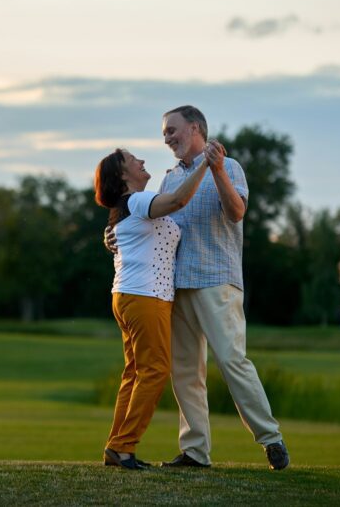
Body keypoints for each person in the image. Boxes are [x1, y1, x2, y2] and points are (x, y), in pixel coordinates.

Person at [107, 105, 289, 470]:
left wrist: (217, 168)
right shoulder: (170, 179)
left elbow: (236, 212)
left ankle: (270, 438)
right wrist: (113, 234)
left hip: (217, 280)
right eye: (164, 133)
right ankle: (195, 451)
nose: (167, 138)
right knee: (187, 372)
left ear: (194, 128)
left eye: (172, 130)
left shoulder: (230, 166)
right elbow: (148, 224)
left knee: (232, 361)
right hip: (174, 286)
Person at [94, 147, 210, 470]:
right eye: (134, 161)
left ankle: (117, 447)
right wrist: (205, 166)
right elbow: (177, 202)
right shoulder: (137, 201)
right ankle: (123, 446)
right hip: (145, 297)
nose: (142, 162)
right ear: (122, 175)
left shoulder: (131, 206)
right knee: (155, 370)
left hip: (130, 296)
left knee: (134, 374)